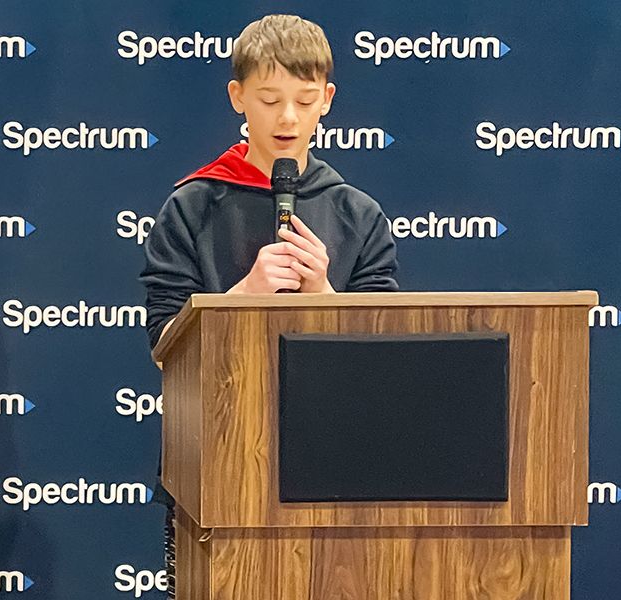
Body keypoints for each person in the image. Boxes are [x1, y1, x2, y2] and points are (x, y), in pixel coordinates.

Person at [138, 14, 399, 597]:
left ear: (326, 100)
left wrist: (326, 300)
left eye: (304, 101)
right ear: (238, 97)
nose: (287, 118)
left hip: (338, 465)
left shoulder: (358, 214)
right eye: (269, 99)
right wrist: (241, 299)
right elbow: (162, 343)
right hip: (218, 460)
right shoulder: (192, 206)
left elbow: (387, 355)